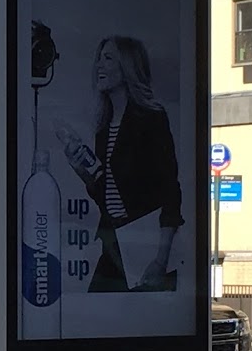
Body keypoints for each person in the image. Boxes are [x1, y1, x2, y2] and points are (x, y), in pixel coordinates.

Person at [53, 34, 183, 293]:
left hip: (142, 250)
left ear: (128, 67)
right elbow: (108, 195)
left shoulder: (150, 119)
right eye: (99, 58)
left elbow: (170, 190)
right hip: (113, 244)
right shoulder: (105, 126)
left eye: (108, 58)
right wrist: (83, 172)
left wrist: (160, 260)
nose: (99, 65)